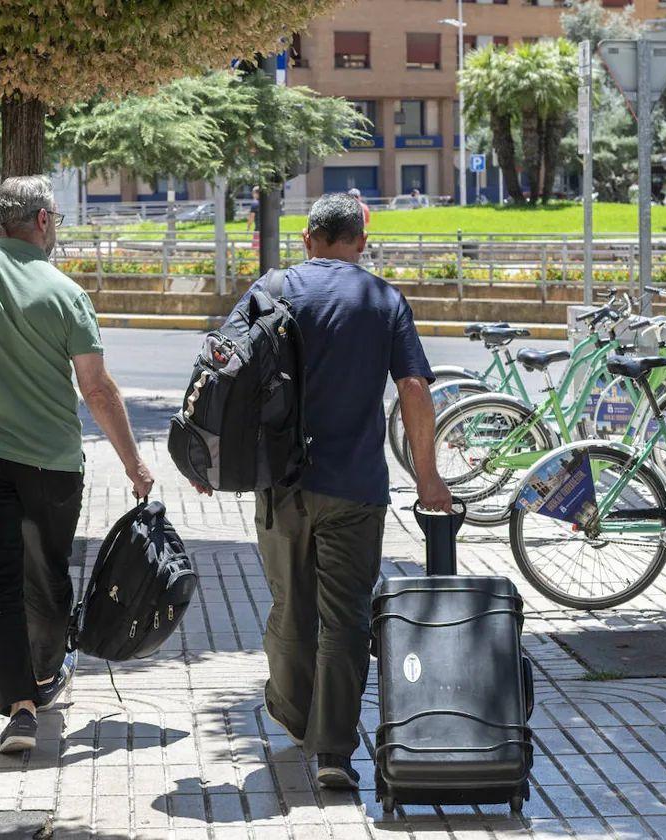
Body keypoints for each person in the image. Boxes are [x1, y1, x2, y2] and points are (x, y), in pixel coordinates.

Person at [195, 193, 451, 791]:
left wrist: (208, 461)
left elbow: (220, 373)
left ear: (308, 240)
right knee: (346, 620)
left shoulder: (274, 287)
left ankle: (290, 713)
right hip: (358, 487)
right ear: (360, 242)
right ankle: (334, 751)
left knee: (290, 604)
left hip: (281, 485)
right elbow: (414, 388)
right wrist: (428, 476)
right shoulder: (383, 299)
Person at [0, 175, 155, 754]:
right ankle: (42, 677)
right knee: (49, 577)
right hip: (54, 466)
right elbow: (97, 389)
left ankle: (20, 708)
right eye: (55, 218)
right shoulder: (65, 293)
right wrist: (135, 466)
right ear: (41, 221)